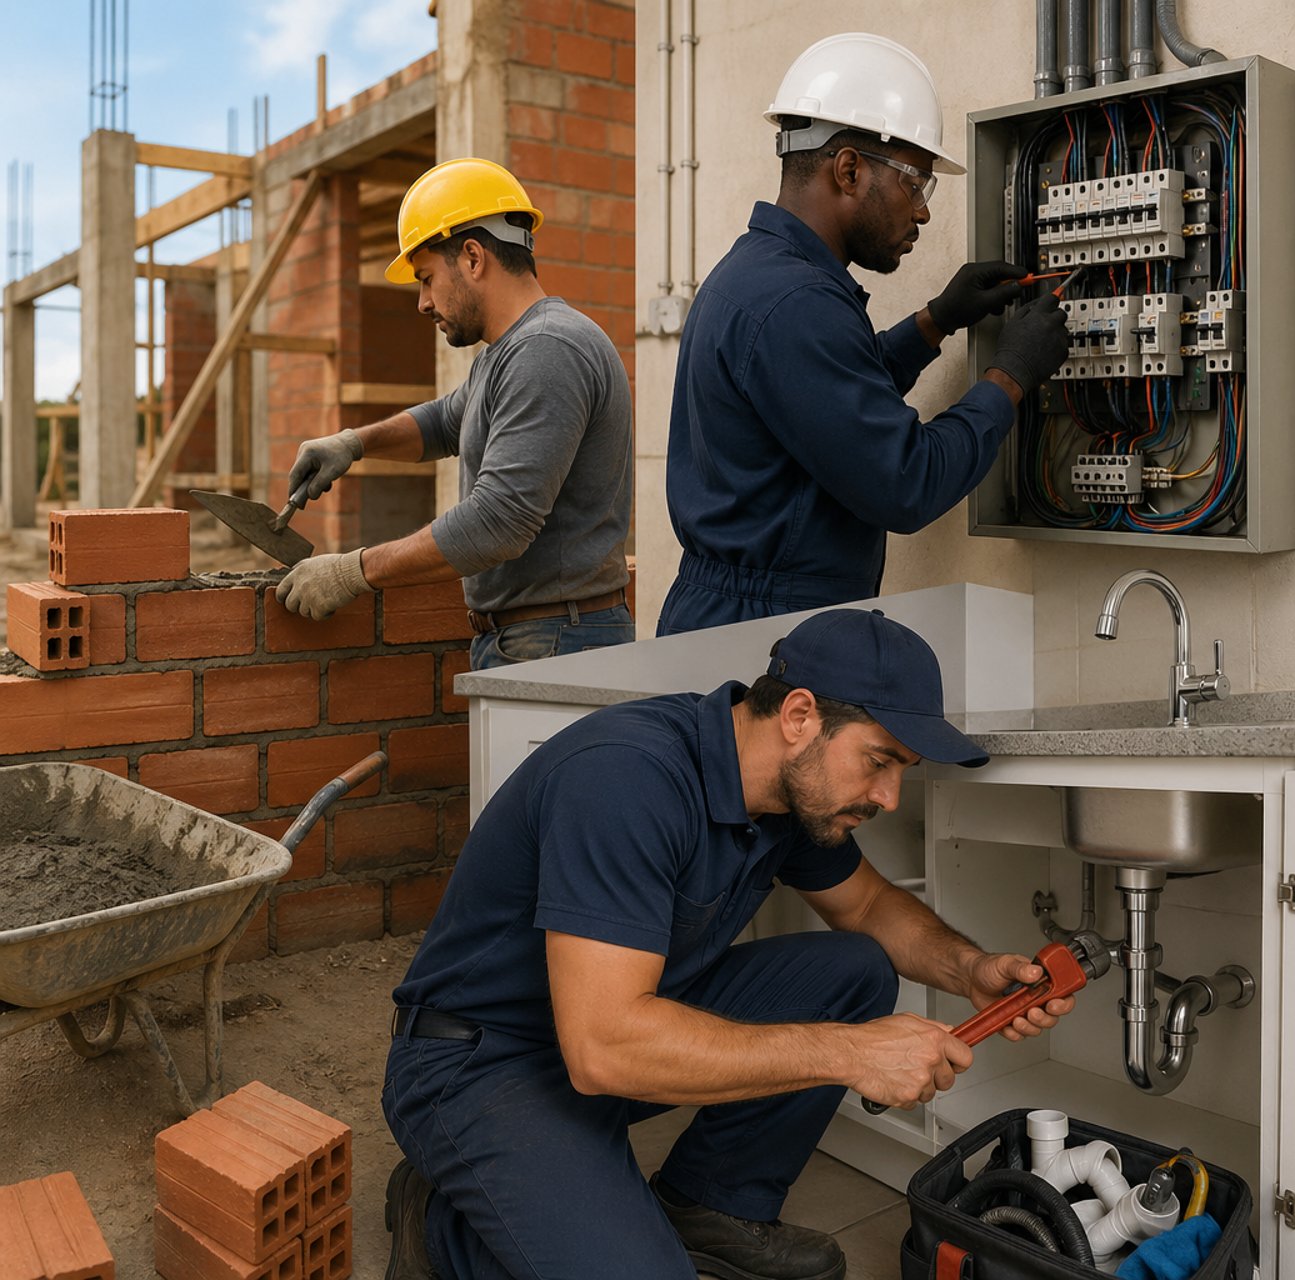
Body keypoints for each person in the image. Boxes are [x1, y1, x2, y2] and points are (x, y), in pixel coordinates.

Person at [380, 608, 1075, 1280]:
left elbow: (867, 905)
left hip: (607, 1036)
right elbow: (605, 1048)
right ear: (799, 716)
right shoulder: (627, 778)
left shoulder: (784, 797)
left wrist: (972, 970)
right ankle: (441, 1219)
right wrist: (851, 1052)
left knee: (855, 968)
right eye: (878, 761)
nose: (890, 796)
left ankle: (709, 1205)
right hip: (479, 1062)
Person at [656, 32, 1071, 635]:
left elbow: (822, 400)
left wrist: (936, 321)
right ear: (848, 169)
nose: (924, 211)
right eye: (915, 182)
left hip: (734, 618)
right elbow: (907, 482)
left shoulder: (757, 274)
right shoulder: (798, 302)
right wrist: (1010, 376)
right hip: (765, 633)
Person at [274, 157, 635, 671]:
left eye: (426, 278)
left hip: (557, 642)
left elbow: (498, 521)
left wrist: (352, 571)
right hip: (540, 637)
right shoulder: (508, 350)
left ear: (472, 257)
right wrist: (354, 443)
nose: (423, 303)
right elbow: (445, 421)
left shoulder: (546, 350)